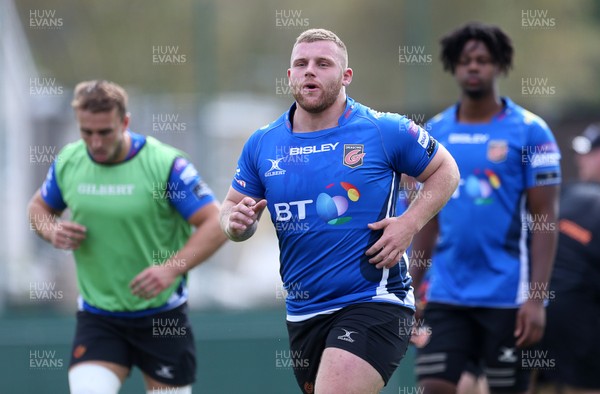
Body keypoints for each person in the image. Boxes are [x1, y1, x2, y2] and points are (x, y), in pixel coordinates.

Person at [220, 28, 460, 394]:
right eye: (300, 64)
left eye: (322, 64)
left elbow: (447, 171)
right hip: (303, 313)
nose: (309, 71)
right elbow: (232, 211)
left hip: (374, 302)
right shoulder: (262, 143)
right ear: (289, 76)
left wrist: (409, 223)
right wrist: (236, 224)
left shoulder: (384, 130)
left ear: (346, 76)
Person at [27, 80, 227, 394]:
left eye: (104, 132)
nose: (95, 142)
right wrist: (52, 230)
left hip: (163, 317)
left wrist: (171, 268)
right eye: (86, 132)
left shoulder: (165, 165)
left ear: (125, 122)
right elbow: (38, 207)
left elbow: (216, 222)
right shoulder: (69, 161)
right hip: (99, 317)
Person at [408, 22, 562, 393]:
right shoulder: (436, 134)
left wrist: (536, 299)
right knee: (435, 386)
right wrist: (410, 290)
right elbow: (426, 218)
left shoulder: (531, 132)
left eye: (482, 60)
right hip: (445, 294)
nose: (473, 67)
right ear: (453, 67)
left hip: (508, 296)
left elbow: (545, 219)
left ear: (499, 66)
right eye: (464, 61)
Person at [531, 124, 600, 394]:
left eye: (590, 152)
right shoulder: (564, 196)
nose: (579, 159)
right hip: (549, 343)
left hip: (579, 356)